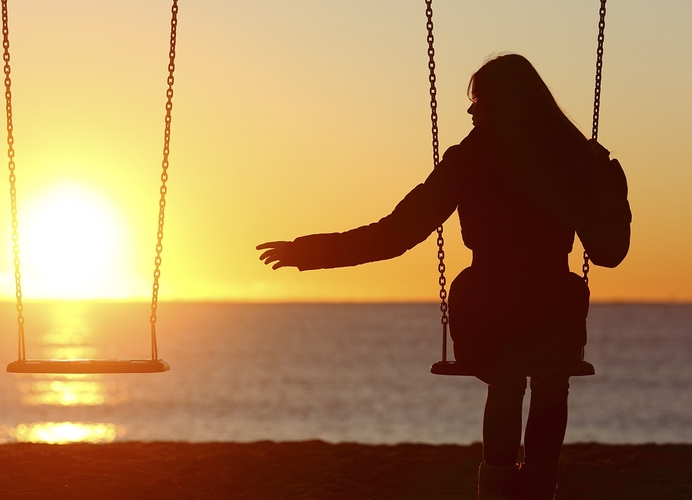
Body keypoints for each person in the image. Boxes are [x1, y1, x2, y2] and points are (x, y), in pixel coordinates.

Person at [257, 54, 600, 500]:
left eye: (478, 100)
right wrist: (604, 182)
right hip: (552, 306)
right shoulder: (573, 157)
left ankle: (498, 489)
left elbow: (394, 234)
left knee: (508, 378)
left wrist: (311, 252)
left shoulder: (470, 161)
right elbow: (610, 251)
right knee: (550, 382)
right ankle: (538, 486)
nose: (471, 110)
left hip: (492, 306)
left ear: (503, 104)